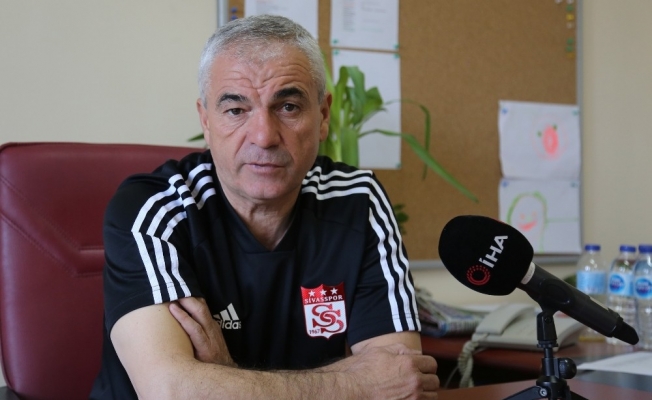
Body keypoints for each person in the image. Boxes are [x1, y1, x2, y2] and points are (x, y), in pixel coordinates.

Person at [90, 14, 439, 399]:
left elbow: (401, 383)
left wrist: (222, 375)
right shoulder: (155, 210)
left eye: (288, 106)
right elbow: (170, 391)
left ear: (323, 116)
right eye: (236, 110)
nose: (264, 136)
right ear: (206, 120)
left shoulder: (358, 201)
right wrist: (356, 383)